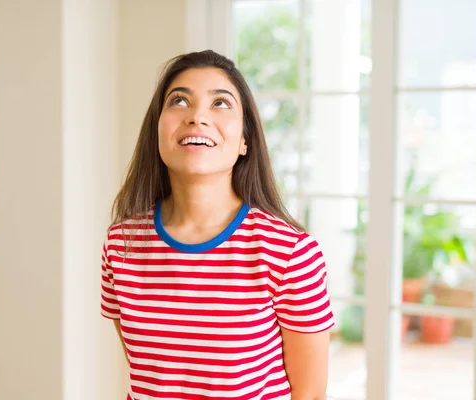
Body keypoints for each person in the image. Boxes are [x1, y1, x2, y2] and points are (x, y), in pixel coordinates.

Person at [100, 50, 334, 400]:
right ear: (157, 130)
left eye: (221, 104)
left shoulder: (289, 253)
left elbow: (310, 394)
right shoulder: (122, 245)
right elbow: (148, 379)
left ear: (244, 141)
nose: (197, 117)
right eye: (179, 100)